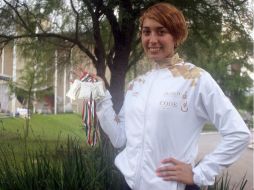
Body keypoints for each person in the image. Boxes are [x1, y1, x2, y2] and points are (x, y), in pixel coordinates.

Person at [95, 2, 251, 190]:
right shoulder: (137, 84)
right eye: (146, 32)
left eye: (161, 32)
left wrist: (200, 173)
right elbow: (119, 137)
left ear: (176, 36)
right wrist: (101, 95)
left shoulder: (196, 79)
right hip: (127, 185)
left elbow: (238, 134)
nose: (152, 40)